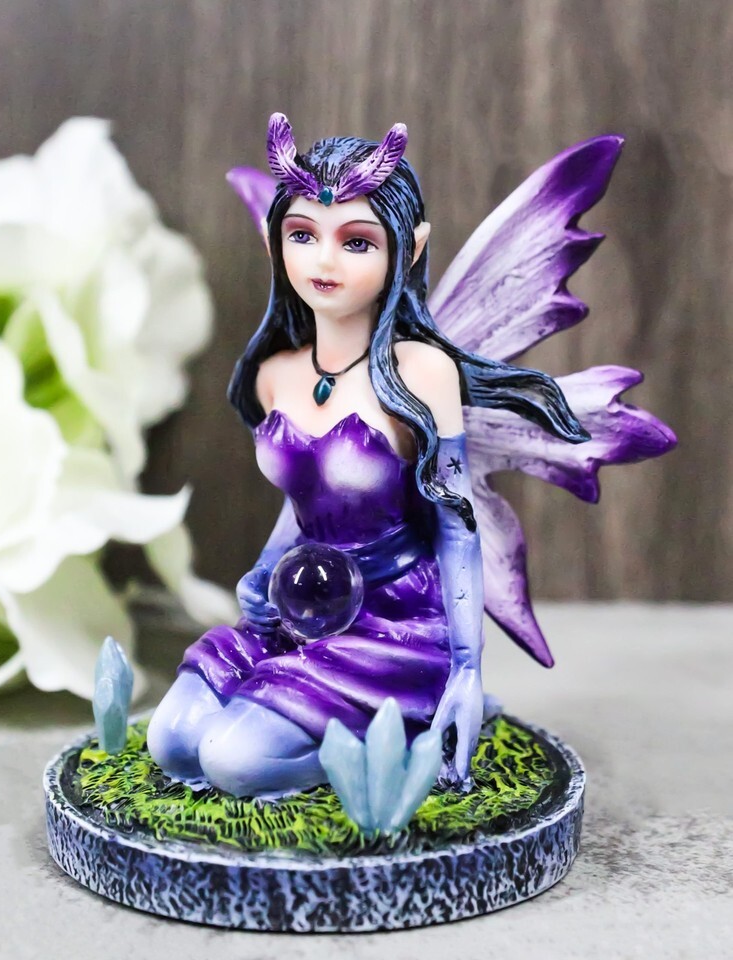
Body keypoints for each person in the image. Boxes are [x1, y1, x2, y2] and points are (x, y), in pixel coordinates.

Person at [147, 115, 589, 798]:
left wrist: (466, 670)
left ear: (408, 249)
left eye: (355, 242)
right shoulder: (274, 375)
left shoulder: (422, 374)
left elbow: (456, 528)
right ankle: (290, 713)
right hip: (296, 608)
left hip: (393, 622)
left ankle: (399, 740)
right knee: (173, 743)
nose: (324, 262)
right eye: (303, 235)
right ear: (274, 242)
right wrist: (265, 571)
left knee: (233, 762)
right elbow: (303, 505)